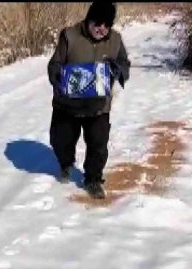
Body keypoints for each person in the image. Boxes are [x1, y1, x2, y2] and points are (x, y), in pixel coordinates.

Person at [47, 2, 131, 199]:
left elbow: (124, 64)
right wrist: (57, 77)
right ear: (89, 19)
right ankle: (66, 163)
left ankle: (93, 180)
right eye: (98, 22)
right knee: (60, 141)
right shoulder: (70, 35)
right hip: (67, 104)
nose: (101, 28)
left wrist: (117, 70)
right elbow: (55, 64)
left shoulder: (115, 40)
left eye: (106, 24)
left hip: (98, 106)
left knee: (98, 145)